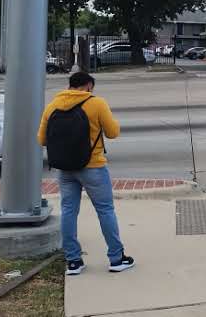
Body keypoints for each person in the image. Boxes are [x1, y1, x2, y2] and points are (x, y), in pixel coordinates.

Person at [37, 72, 134, 276]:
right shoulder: (96, 103)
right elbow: (113, 132)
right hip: (93, 167)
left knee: (69, 211)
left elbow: (42, 140)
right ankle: (116, 258)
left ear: (70, 85)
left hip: (64, 169)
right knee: (105, 210)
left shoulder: (52, 105)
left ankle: (73, 261)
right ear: (88, 85)